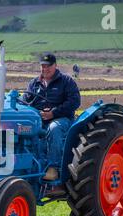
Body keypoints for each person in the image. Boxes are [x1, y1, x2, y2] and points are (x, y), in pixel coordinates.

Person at [23, 52, 81, 185]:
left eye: (48, 66)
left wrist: (54, 113)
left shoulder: (66, 81)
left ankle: (53, 168)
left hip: (62, 119)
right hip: (39, 119)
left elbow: (74, 102)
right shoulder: (34, 83)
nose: (45, 69)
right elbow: (25, 101)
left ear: (55, 65)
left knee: (53, 128)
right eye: (43, 66)